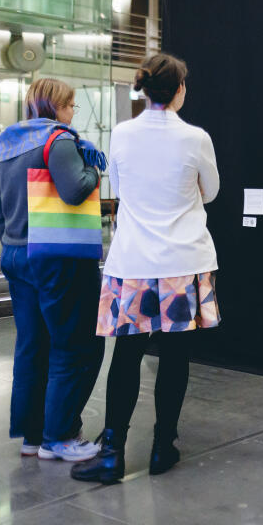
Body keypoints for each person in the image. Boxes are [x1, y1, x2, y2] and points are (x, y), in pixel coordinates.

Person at [72, 53, 220, 485]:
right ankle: (162, 446)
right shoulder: (196, 138)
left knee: (127, 355)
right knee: (175, 356)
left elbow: (117, 185)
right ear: (177, 91)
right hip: (182, 262)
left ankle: (112, 452)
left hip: (133, 261)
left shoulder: (123, 133)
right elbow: (210, 193)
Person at [0, 78, 107, 462]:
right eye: (71, 106)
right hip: (59, 258)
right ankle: (61, 437)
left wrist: (15, 243)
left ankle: (32, 436)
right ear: (56, 107)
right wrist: (93, 169)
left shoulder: (7, 142)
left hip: (15, 254)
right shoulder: (59, 139)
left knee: (31, 346)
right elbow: (74, 190)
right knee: (75, 345)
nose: (73, 113)